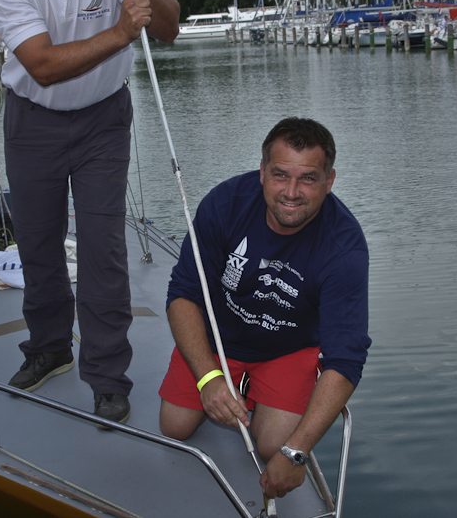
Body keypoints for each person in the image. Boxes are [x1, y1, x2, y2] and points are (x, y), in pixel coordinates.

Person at [0, 0, 180, 425]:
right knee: (37, 243)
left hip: (102, 120)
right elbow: (42, 66)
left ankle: (108, 376)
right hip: (33, 120)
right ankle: (49, 348)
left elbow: (169, 28)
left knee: (102, 246)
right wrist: (120, 31)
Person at [158, 117, 370, 498]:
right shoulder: (225, 205)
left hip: (288, 349)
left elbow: (346, 359)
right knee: (174, 427)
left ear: (330, 181)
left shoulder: (344, 247)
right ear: (261, 172)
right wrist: (208, 378)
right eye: (280, 175)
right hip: (218, 340)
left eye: (308, 178)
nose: (291, 192)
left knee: (275, 444)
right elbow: (183, 294)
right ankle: (234, 383)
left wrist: (296, 453)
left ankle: (258, 393)